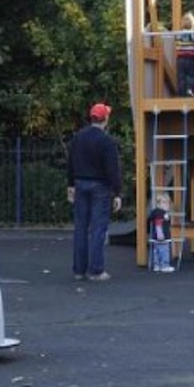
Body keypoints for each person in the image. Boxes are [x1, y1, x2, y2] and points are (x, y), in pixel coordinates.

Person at [67, 102, 123, 281]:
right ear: (105, 119)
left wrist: (70, 185)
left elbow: (71, 162)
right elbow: (112, 169)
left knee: (80, 228)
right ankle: (96, 270)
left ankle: (79, 270)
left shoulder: (78, 138)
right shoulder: (107, 141)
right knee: (98, 229)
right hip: (100, 186)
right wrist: (117, 192)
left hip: (80, 183)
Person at [147, 193, 176, 273]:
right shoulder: (161, 213)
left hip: (155, 236)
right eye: (164, 203)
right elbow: (158, 223)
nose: (167, 205)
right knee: (164, 250)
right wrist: (160, 233)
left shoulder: (155, 212)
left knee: (156, 251)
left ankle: (157, 265)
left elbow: (151, 220)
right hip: (162, 236)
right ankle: (164, 265)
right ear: (158, 204)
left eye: (168, 203)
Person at [175, 12, 194, 97]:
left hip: (180, 58)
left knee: (181, 76)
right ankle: (190, 90)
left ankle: (181, 93)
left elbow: (176, 42)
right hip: (191, 58)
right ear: (193, 24)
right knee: (191, 75)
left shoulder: (179, 34)